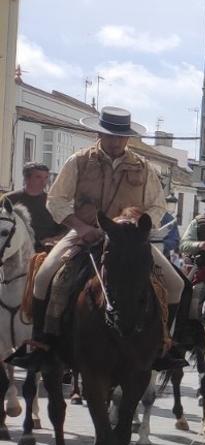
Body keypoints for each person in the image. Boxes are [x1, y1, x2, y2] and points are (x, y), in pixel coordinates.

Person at [9, 107, 186, 371]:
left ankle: (164, 345)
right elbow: (57, 201)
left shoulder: (144, 167)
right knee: (45, 276)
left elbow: (158, 206)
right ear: (99, 133)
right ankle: (42, 345)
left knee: (175, 284)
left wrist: (136, 229)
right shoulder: (78, 161)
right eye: (110, 135)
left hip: (128, 240)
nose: (115, 141)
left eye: (120, 137)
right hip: (85, 231)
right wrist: (80, 227)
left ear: (127, 138)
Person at [4, 162, 66, 248]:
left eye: (46, 177)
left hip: (46, 249)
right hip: (16, 249)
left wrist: (54, 239)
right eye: (38, 177)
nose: (43, 181)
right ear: (27, 178)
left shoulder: (53, 201)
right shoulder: (9, 199)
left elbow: (65, 229)